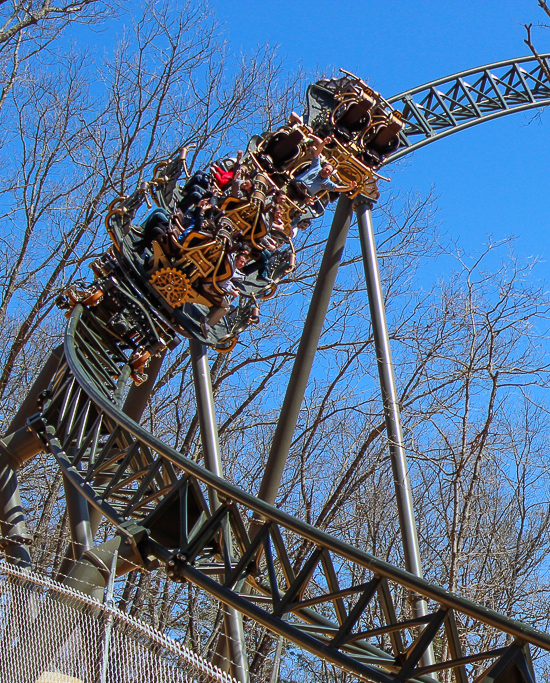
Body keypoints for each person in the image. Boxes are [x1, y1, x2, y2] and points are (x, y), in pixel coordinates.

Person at [200, 248, 251, 335]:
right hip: (209, 286)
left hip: (210, 281)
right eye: (241, 261)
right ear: (236, 259)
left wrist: (233, 288)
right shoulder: (230, 269)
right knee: (226, 307)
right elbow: (222, 283)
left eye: (244, 263)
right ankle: (207, 324)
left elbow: (226, 280)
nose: (242, 264)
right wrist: (232, 292)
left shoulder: (231, 264)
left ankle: (207, 319)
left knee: (225, 300)